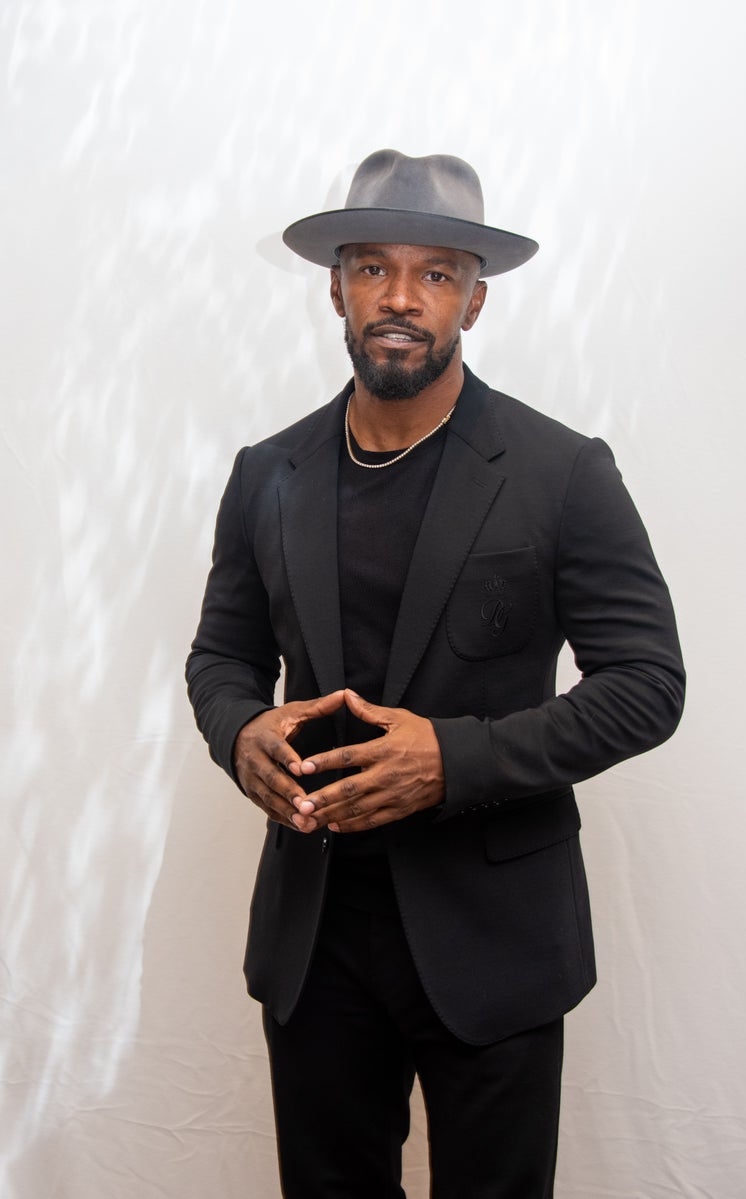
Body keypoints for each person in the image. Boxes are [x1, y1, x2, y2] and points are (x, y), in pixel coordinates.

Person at [186, 149, 685, 1198]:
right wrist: (239, 730)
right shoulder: (266, 473)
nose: (401, 298)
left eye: (436, 273)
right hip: (316, 937)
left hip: (496, 938)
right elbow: (223, 654)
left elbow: (646, 682)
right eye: (373, 268)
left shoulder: (562, 472)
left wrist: (450, 760)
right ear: (337, 288)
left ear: (474, 299)